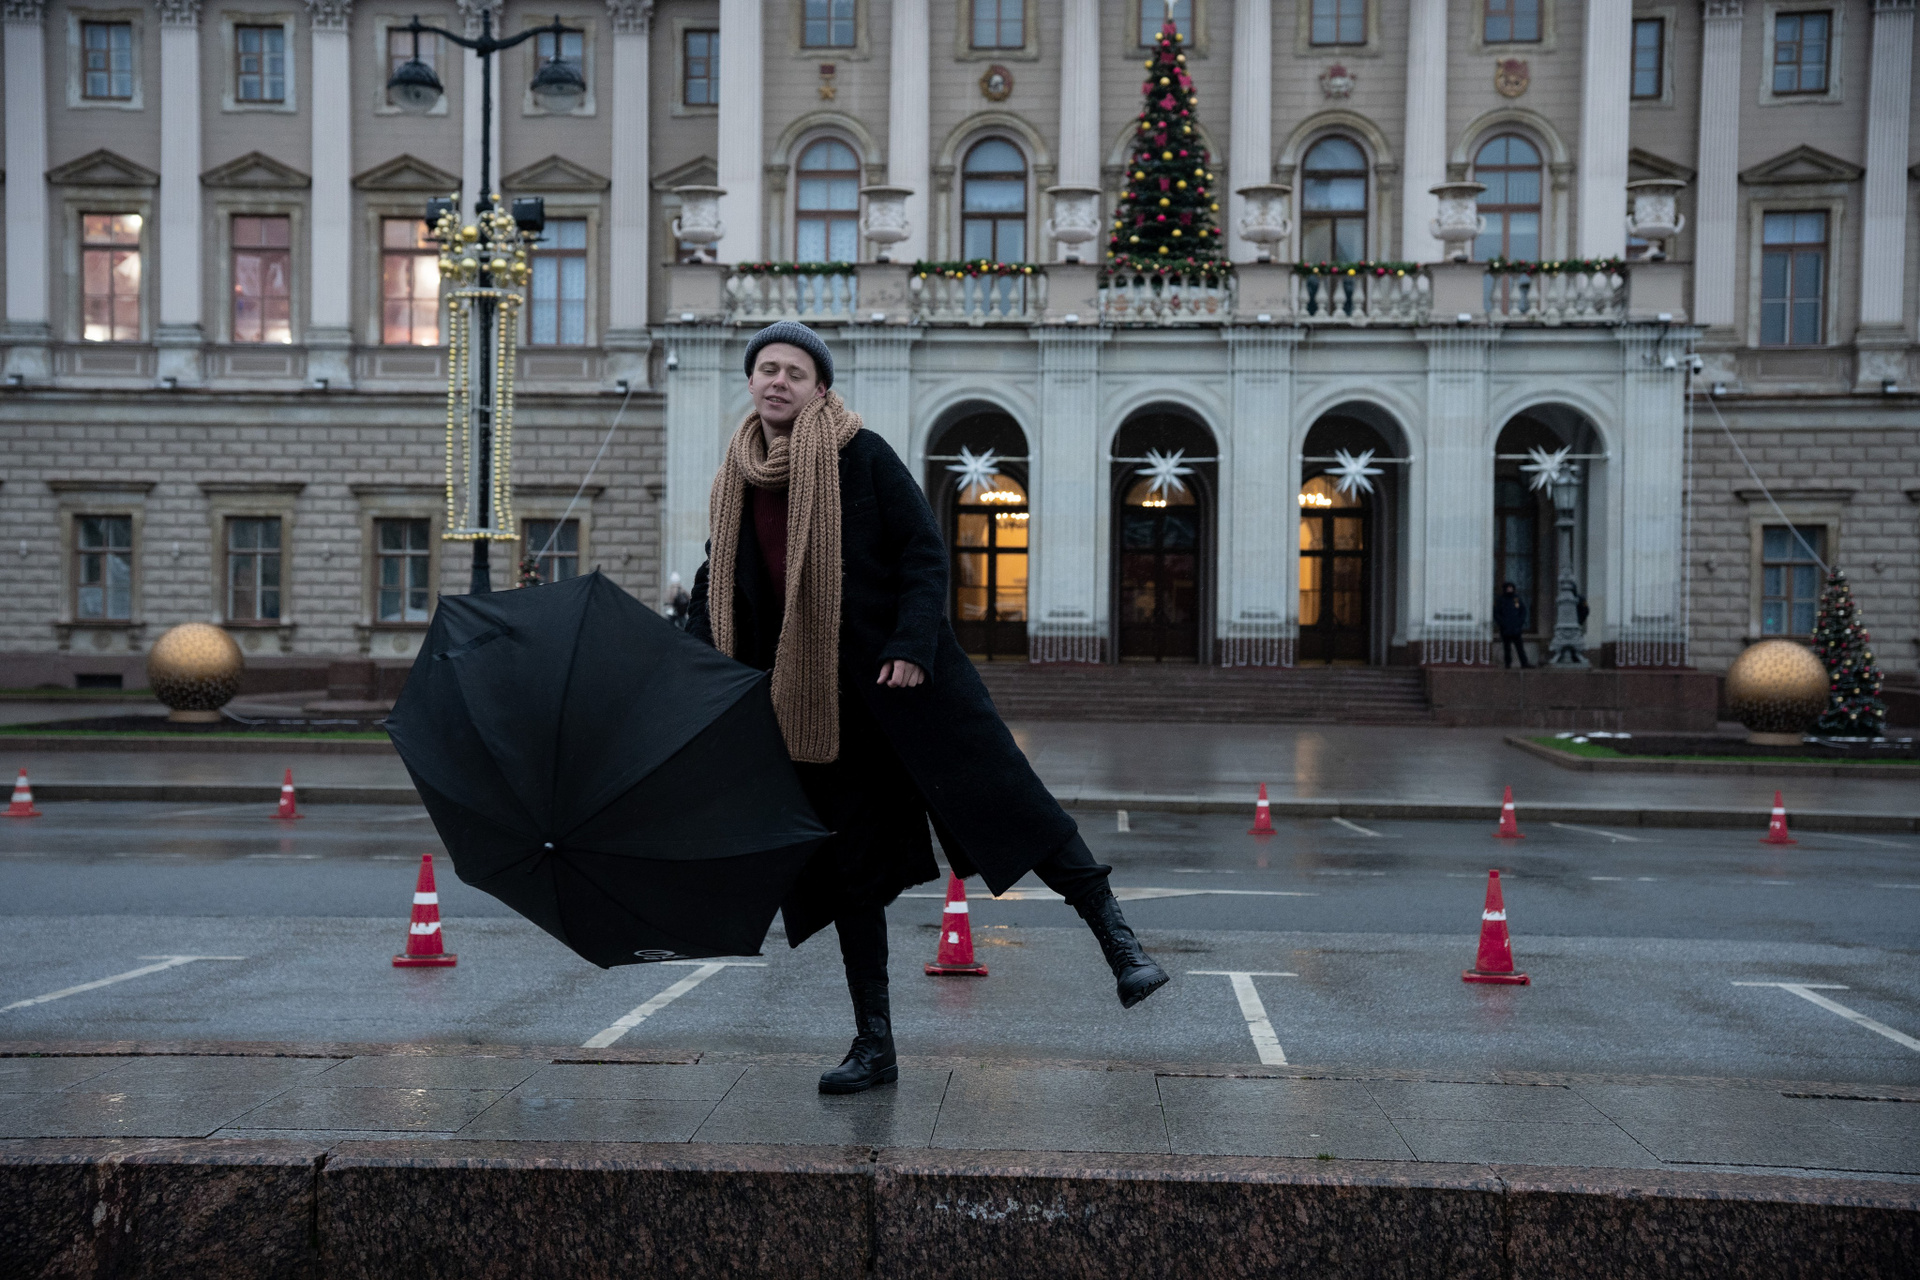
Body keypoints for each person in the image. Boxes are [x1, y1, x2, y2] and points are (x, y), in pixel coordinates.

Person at [686, 322, 1169, 1096]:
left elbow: (923, 551)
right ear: (751, 382)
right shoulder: (735, 485)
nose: (778, 381)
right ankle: (874, 1045)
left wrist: (913, 643)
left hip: (907, 682)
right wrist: (690, 671)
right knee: (850, 874)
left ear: (819, 388)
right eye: (767, 368)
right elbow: (720, 588)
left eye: (795, 372)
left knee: (1012, 805)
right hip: (822, 712)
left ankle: (1123, 948)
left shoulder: (861, 456)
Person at [1494, 581, 1531, 669]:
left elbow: (1523, 610)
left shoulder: (1516, 599)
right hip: (1505, 628)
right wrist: (1502, 623)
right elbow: (1496, 613)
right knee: (1507, 647)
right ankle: (1508, 664)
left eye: (1511, 588)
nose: (1510, 589)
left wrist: (1520, 622)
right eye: (1508, 588)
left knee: (1519, 647)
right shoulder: (1501, 600)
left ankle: (1524, 663)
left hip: (1516, 628)